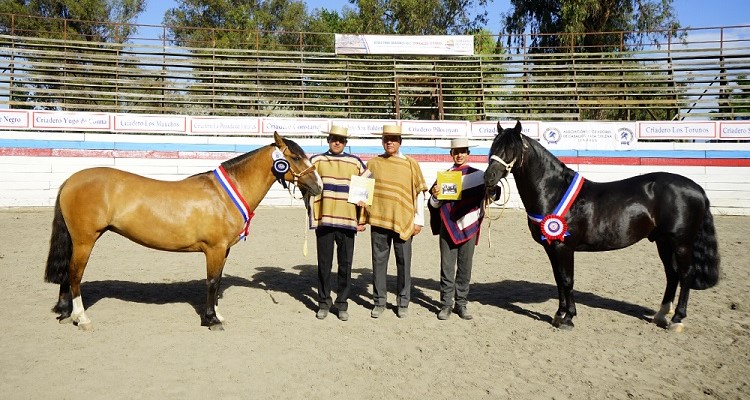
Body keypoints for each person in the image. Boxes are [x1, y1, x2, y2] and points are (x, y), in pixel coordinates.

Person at [428, 137, 501, 320]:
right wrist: (435, 196)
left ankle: (461, 304)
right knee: (447, 267)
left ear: (468, 153)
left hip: (469, 226)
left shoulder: (478, 176)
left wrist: (491, 190)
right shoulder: (443, 177)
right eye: (456, 151)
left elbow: (492, 195)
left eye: (463, 151)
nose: (459, 154)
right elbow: (434, 205)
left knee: (465, 267)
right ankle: (446, 305)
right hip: (448, 226)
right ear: (451, 154)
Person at [361, 124, 427, 319]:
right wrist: (361, 213)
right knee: (378, 262)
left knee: (404, 262)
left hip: (404, 220)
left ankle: (403, 302)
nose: (389, 141)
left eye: (393, 138)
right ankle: (379, 301)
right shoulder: (373, 163)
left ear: (400, 141)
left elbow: (418, 194)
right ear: (382, 141)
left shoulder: (411, 164)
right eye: (386, 138)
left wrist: (419, 220)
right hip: (379, 220)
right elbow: (362, 190)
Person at [309, 125, 370, 321]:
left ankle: (342, 303)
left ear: (346, 143)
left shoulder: (356, 163)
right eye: (334, 138)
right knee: (324, 265)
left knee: (345, 265)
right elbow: (305, 184)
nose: (337, 142)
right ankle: (323, 302)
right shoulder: (316, 160)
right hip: (325, 220)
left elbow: (366, 191)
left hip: (347, 221)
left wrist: (361, 218)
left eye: (341, 140)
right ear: (328, 140)